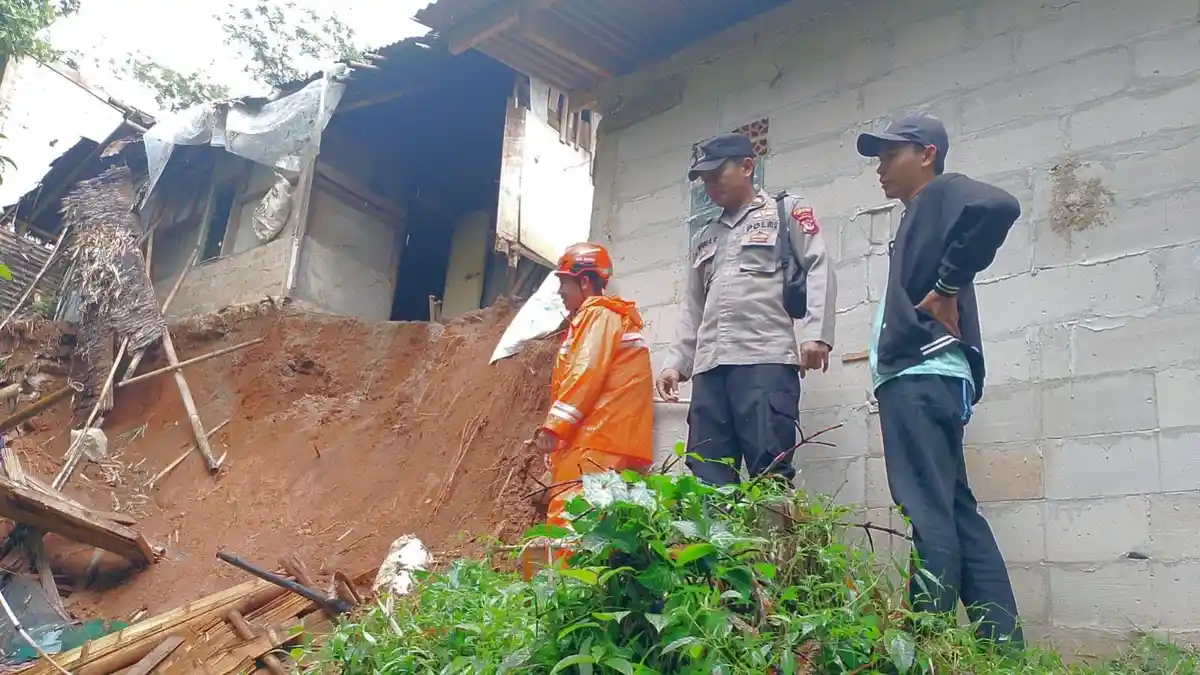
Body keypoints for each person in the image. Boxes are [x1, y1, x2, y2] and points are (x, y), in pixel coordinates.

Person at [856, 114, 1024, 645]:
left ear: (926, 154)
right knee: (955, 512)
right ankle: (1003, 644)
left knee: (926, 510)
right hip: (936, 379)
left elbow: (999, 205)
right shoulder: (919, 214)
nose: (880, 168)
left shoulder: (938, 193)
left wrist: (949, 283)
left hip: (919, 376)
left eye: (890, 155)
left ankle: (922, 646)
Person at [656, 133, 837, 486]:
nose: (709, 186)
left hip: (764, 362)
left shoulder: (786, 212)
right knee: (707, 474)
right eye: (703, 179)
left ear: (747, 166)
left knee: (769, 471)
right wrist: (676, 364)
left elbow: (819, 266)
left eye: (716, 175)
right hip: (710, 370)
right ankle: (720, 543)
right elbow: (693, 304)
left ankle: (768, 543)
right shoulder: (705, 236)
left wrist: (816, 335)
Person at [536, 242, 654, 527]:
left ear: (585, 281)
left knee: (572, 520)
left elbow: (585, 372)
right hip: (610, 440)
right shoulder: (610, 318)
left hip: (595, 440)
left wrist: (555, 427)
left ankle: (565, 574)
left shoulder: (597, 314)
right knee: (603, 528)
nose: (560, 291)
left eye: (564, 282)